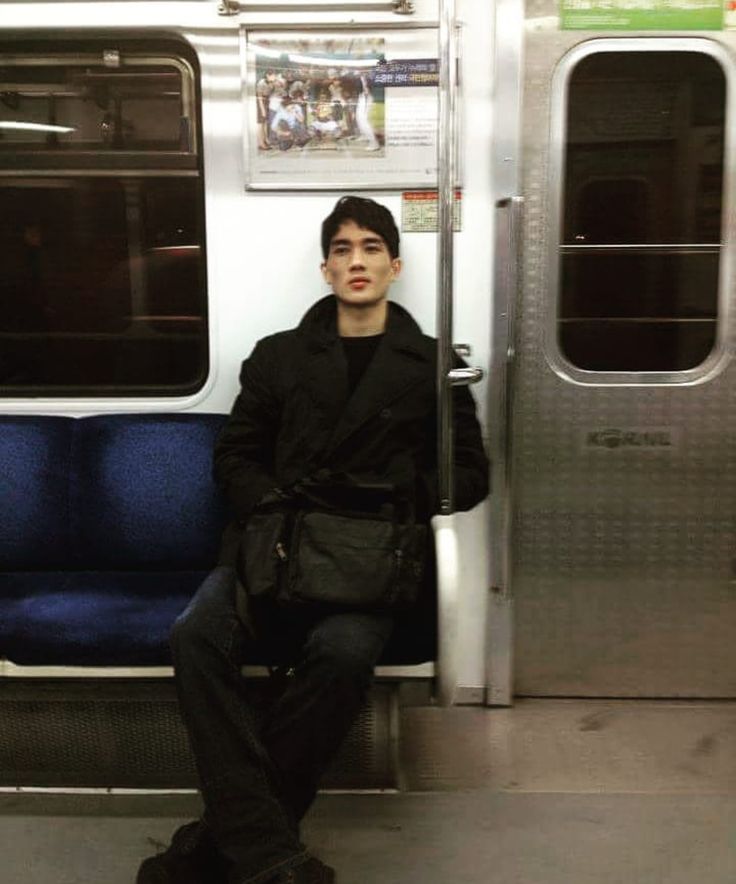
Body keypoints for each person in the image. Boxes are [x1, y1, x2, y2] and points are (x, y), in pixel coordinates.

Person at [136, 196, 489, 884]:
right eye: (342, 249)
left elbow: (470, 475)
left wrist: (391, 505)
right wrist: (275, 512)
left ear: (396, 263)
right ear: (325, 267)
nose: (357, 261)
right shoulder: (278, 357)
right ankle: (272, 857)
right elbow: (235, 456)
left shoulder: (432, 365)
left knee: (343, 652)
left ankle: (216, 846)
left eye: (371, 248)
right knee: (195, 636)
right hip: (270, 547)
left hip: (365, 561)